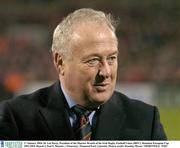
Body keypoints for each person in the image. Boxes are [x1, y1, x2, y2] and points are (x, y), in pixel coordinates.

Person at [0, 8, 167, 140]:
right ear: (60, 62)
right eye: (92, 60)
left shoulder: (145, 120)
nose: (105, 72)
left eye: (111, 58)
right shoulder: (15, 118)